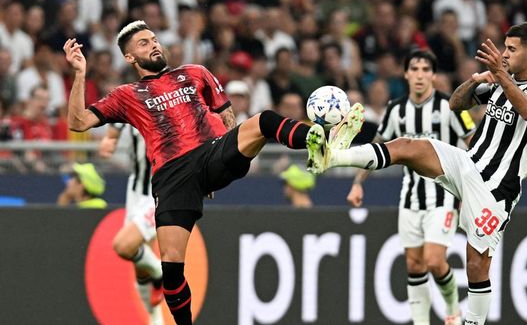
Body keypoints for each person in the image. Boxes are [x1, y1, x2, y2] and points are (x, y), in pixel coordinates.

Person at [63, 20, 360, 325]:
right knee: (172, 267)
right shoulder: (127, 94)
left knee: (263, 120)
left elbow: (225, 112)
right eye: (143, 43)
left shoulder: (194, 73)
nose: (153, 45)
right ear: (130, 58)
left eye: (153, 39)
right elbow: (78, 122)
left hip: (212, 153)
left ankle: (320, 144)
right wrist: (79, 74)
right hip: (173, 175)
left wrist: (231, 151)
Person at [307, 22, 527, 325]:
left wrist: (502, 76)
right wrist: (477, 79)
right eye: (504, 48)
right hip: (468, 163)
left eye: (511, 49)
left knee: (476, 264)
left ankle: (472, 323)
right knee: (408, 146)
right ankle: (330, 156)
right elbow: (456, 103)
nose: (504, 54)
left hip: (495, 189)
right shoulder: (499, 81)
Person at [346, 50, 475, 325]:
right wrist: (358, 184)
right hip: (410, 197)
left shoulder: (450, 107)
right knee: (414, 265)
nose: (419, 74)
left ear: (433, 75)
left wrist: (471, 189)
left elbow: (474, 146)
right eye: (414, 69)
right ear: (405, 74)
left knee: (434, 260)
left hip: (444, 196)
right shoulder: (395, 110)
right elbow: (379, 149)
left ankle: (453, 309)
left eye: (425, 69)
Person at [99, 124, 164, 324]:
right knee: (141, 269)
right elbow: (113, 130)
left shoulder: (174, 101)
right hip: (135, 190)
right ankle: (156, 321)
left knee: (124, 245)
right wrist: (108, 141)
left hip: (161, 191)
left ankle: (163, 273)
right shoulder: (131, 95)